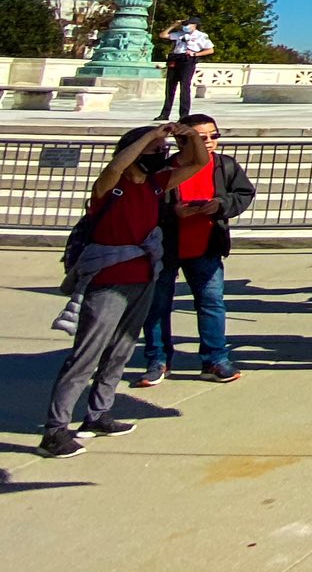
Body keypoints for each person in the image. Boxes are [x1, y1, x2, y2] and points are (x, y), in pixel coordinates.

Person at [40, 123, 207, 458]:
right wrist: (149, 136)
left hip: (143, 275)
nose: (160, 155)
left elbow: (197, 163)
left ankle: (98, 414)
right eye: (153, 152)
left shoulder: (157, 185)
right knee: (86, 355)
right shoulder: (111, 185)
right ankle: (55, 431)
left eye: (162, 151)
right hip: (107, 278)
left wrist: (186, 136)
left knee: (120, 350)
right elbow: (116, 166)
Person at [134, 114, 255, 386]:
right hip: (166, 247)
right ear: (182, 141)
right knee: (157, 305)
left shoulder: (225, 166)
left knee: (212, 304)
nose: (210, 142)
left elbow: (244, 193)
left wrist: (221, 204)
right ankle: (157, 360)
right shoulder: (165, 170)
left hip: (207, 245)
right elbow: (144, 205)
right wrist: (171, 212)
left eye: (214, 136)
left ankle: (215, 360)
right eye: (202, 138)